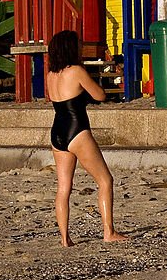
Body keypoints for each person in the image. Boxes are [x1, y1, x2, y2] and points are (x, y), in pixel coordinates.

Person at [45, 30, 127, 247]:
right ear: (71, 49)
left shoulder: (51, 74)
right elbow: (100, 95)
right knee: (105, 180)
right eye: (78, 45)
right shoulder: (76, 71)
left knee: (64, 187)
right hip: (77, 130)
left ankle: (64, 238)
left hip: (57, 131)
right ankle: (108, 231)